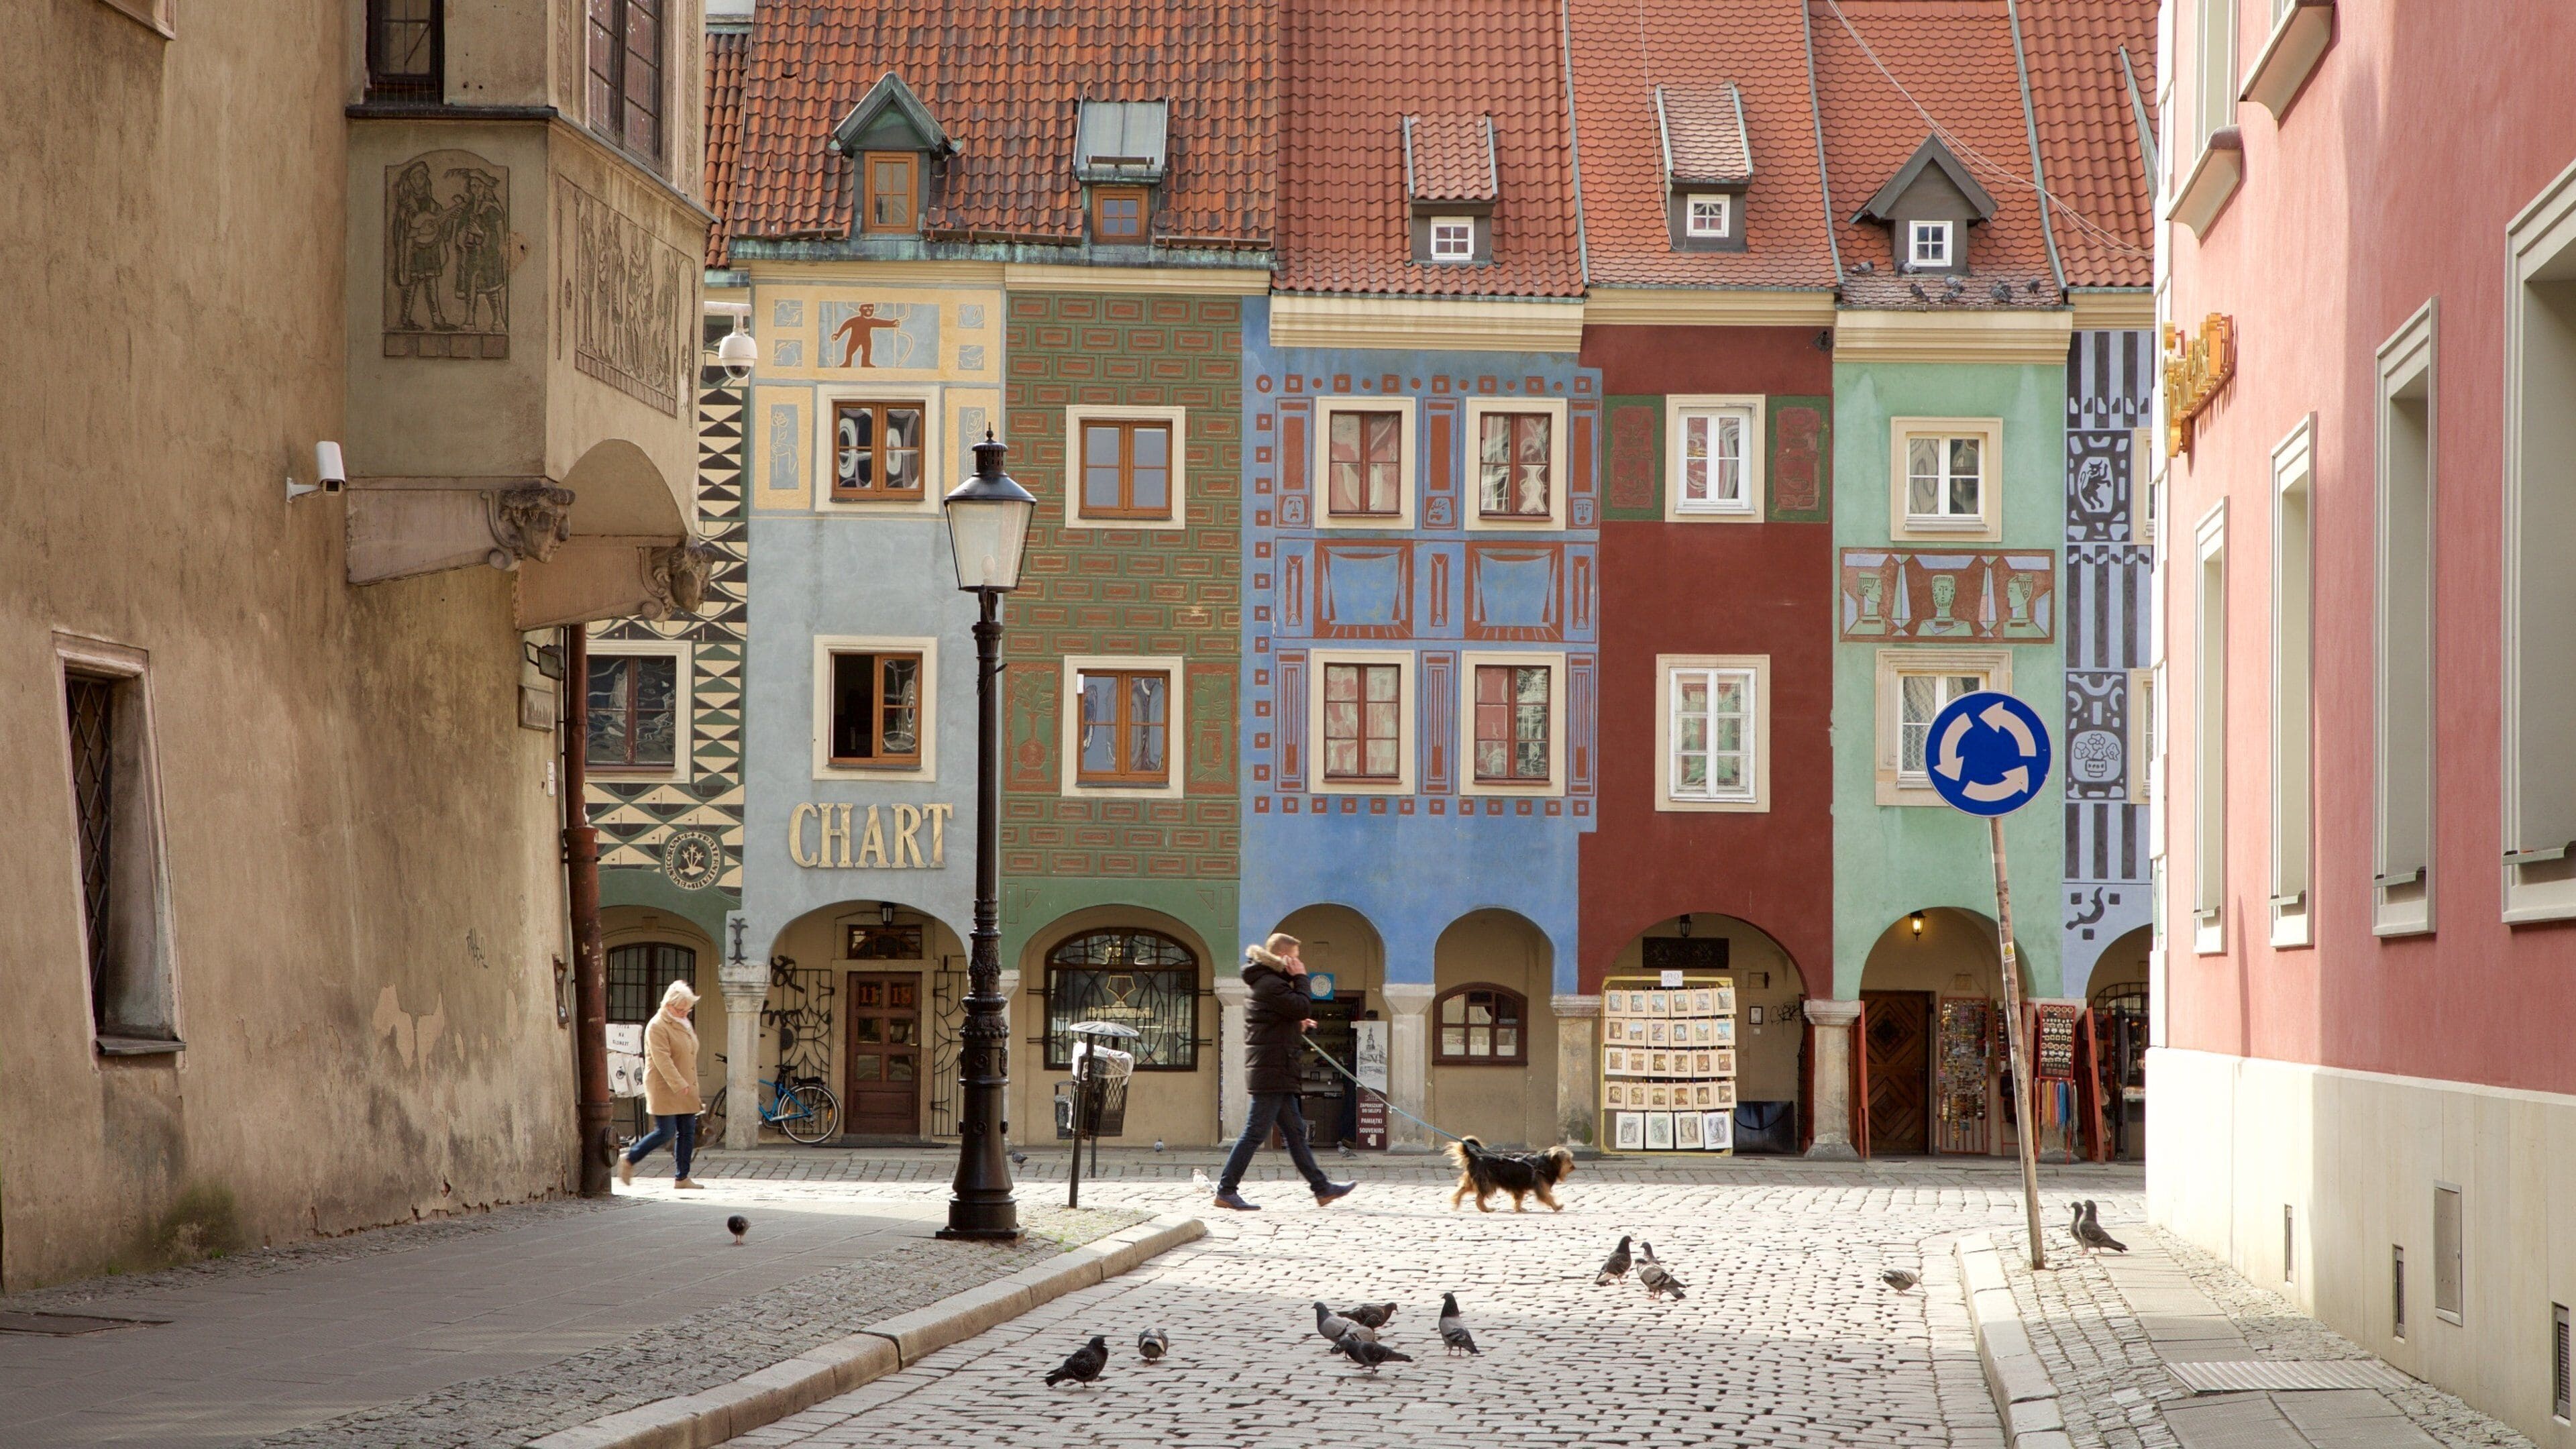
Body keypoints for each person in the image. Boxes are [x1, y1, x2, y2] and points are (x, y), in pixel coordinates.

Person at [1212, 934, 1354, 1212]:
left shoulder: (1270, 984)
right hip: (1273, 1070)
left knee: (1296, 1132)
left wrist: (1295, 1026)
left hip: (1277, 1068)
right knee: (1255, 1133)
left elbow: (1276, 1021)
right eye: (1297, 958)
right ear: (1285, 958)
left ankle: (1322, 1189)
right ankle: (1226, 1190)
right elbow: (1301, 1004)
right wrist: (1302, 978)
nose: (1301, 963)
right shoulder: (1270, 984)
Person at [621, 979, 704, 1189]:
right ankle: (630, 1158)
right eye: (681, 1009)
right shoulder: (657, 1026)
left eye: (688, 1009)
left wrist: (689, 1085)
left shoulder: (683, 1022)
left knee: (687, 1131)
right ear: (668, 1005)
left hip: (686, 1085)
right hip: (665, 1087)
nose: (685, 1012)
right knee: (665, 1132)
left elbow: (689, 1054)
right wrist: (679, 1083)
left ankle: (682, 1178)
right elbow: (662, 1059)